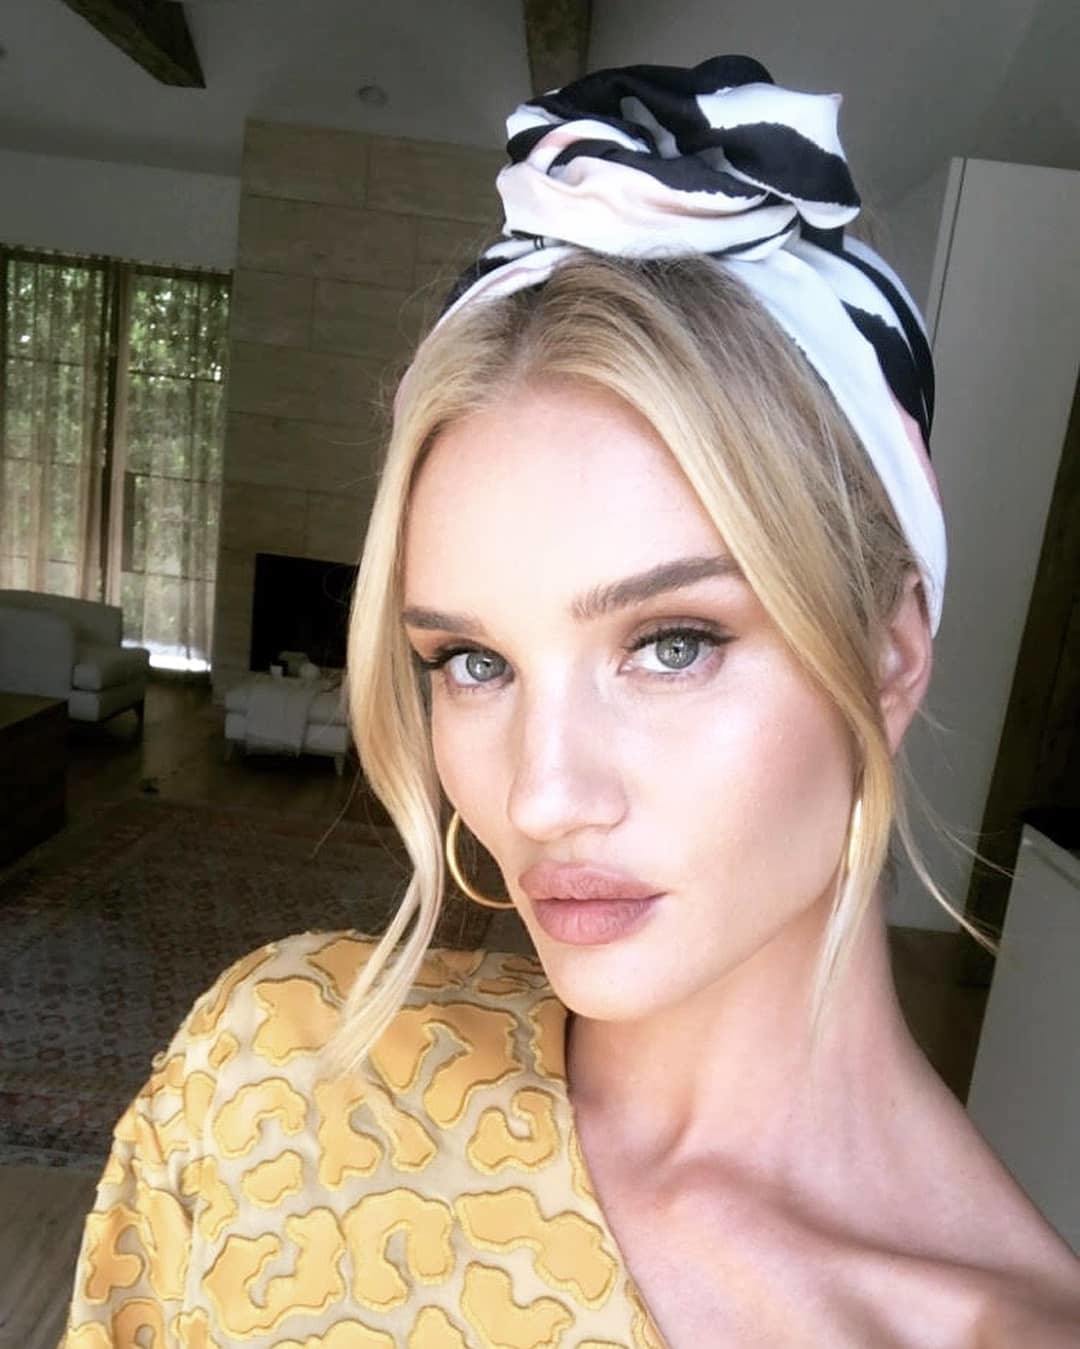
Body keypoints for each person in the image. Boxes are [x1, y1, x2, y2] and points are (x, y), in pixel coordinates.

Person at [60, 56, 1080, 1348]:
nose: (541, 796)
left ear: (887, 659)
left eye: (671, 643)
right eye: (472, 661)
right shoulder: (271, 1069)